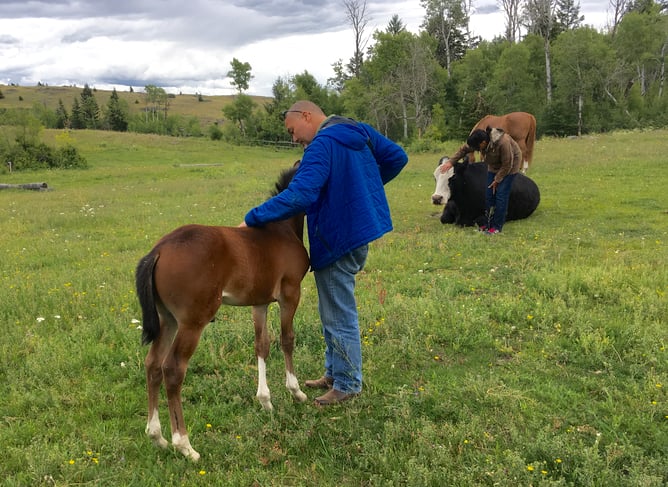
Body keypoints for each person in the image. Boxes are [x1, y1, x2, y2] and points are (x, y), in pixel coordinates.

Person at [240, 100, 408, 406]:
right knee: (332, 307)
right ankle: (335, 371)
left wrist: (252, 218)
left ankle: (347, 384)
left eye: (292, 130)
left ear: (306, 116)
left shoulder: (321, 145)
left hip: (338, 237)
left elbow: (299, 194)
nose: (294, 139)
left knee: (339, 313)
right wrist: (361, 186)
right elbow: (397, 157)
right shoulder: (359, 131)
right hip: (358, 233)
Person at [440, 127, 521, 234]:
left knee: (501, 196)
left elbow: (507, 164)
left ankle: (496, 227)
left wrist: (497, 180)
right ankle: (487, 224)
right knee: (489, 195)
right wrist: (450, 162)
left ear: (483, 142)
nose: (476, 150)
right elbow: (463, 150)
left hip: (510, 167)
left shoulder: (503, 142)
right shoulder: (479, 142)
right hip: (493, 166)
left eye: (476, 147)